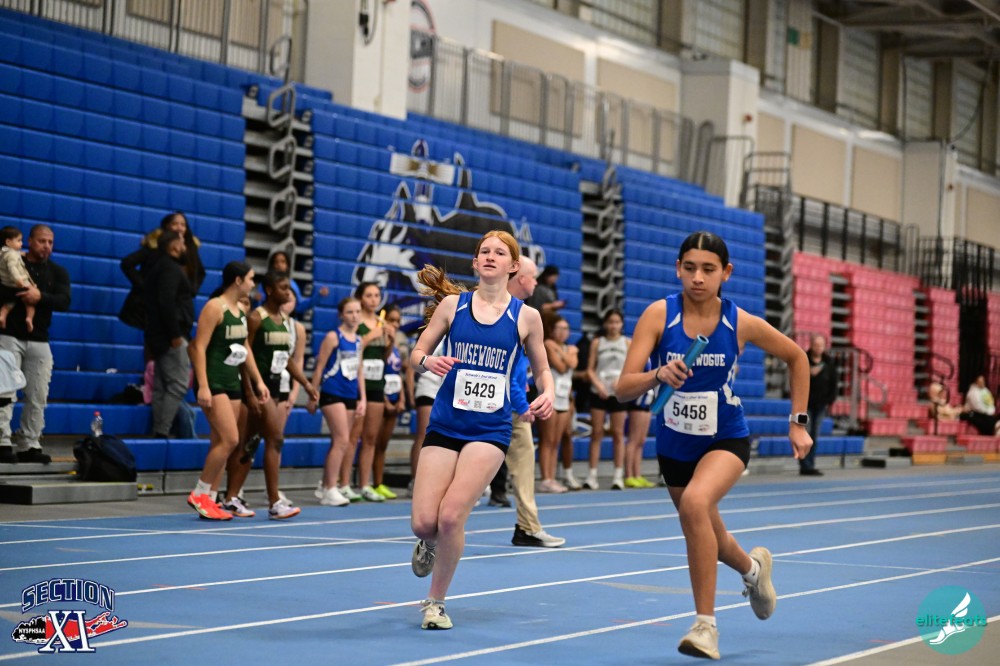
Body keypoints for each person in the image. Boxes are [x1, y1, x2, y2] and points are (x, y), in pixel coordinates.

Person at [616, 231, 812, 660]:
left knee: (695, 505)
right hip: (674, 445)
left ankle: (705, 626)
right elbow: (623, 388)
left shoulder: (738, 322)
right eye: (690, 268)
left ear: (726, 273)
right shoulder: (659, 315)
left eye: (708, 269)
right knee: (710, 534)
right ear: (678, 269)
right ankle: (753, 570)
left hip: (726, 437)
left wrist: (797, 423)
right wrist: (657, 375)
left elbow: (797, 357)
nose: (698, 278)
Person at [409, 230, 554, 630]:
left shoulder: (526, 317)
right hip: (446, 423)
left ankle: (435, 602)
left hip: (490, 428)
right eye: (484, 251)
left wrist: (548, 393)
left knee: (451, 516)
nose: (490, 256)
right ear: (475, 263)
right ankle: (428, 542)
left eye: (499, 252)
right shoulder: (453, 306)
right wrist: (428, 362)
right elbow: (417, 353)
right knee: (424, 523)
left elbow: (542, 367)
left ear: (513, 266)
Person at [223, 272, 319, 519]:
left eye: (289, 288)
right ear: (268, 290)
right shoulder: (256, 318)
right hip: (258, 389)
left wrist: (306, 384)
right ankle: (274, 501)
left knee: (251, 443)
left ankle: (231, 497)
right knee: (275, 439)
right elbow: (244, 356)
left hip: (275, 389)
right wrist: (250, 393)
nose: (288, 292)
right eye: (283, 287)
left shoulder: (285, 322)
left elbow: (286, 359)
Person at [186, 261, 270, 520]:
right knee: (230, 439)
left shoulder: (240, 311)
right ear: (237, 280)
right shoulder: (215, 307)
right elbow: (198, 347)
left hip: (233, 382)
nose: (253, 284)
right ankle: (199, 493)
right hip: (214, 382)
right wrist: (203, 384)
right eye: (251, 279)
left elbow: (245, 348)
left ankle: (210, 499)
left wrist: (258, 381)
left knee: (220, 443)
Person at [505, 255, 566, 546]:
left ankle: (527, 526)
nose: (538, 283)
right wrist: (521, 403)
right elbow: (507, 368)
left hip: (508, 402)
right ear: (521, 278)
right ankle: (527, 527)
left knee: (521, 464)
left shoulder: (523, 313)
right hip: (506, 408)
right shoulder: (514, 314)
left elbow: (523, 367)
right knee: (521, 465)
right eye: (534, 277)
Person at [0, 225, 71, 465]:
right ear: (29, 241)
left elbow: (65, 301)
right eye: (41, 241)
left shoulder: (58, 271)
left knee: (38, 394)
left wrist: (40, 297)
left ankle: (30, 442)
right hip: (8, 334)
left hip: (39, 337)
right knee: (5, 392)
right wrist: (20, 293)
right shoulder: (12, 261)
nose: (46, 246)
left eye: (50, 242)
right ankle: (2, 440)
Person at [308, 296, 367, 507]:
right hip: (333, 392)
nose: (354, 316)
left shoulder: (359, 340)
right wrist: (312, 394)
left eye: (358, 312)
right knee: (342, 440)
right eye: (350, 312)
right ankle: (331, 488)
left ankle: (326, 485)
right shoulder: (334, 337)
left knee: (342, 441)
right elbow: (320, 366)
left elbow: (359, 370)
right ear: (341, 315)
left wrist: (363, 398)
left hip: (351, 393)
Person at [347, 282, 399, 502]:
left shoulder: (382, 322)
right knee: (353, 436)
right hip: (358, 385)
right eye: (368, 295)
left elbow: (384, 356)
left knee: (371, 437)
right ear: (360, 297)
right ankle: (343, 483)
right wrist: (370, 336)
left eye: (377, 295)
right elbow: (353, 348)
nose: (373, 299)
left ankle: (365, 485)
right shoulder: (356, 320)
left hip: (377, 384)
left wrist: (390, 340)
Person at [143, 230, 195, 439]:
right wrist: (175, 335)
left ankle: (159, 430)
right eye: (182, 243)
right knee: (178, 384)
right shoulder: (170, 269)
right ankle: (162, 430)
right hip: (171, 336)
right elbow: (166, 302)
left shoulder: (158, 266)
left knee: (161, 386)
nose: (185, 247)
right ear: (174, 246)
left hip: (157, 334)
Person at [120, 211, 205, 331]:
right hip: (152, 305)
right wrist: (144, 285)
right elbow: (127, 263)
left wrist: (191, 291)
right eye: (175, 224)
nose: (179, 228)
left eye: (183, 224)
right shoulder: (154, 246)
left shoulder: (190, 248)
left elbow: (200, 272)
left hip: (178, 307)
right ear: (167, 226)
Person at [585, 310, 629, 490]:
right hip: (599, 392)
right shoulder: (598, 342)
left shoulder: (627, 343)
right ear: (605, 324)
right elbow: (590, 369)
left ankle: (618, 475)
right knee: (596, 432)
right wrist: (598, 385)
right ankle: (592, 475)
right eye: (610, 322)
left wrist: (622, 381)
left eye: (617, 322)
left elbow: (632, 368)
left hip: (618, 393)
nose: (613, 325)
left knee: (618, 433)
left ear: (622, 324)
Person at [371, 304, 407, 499]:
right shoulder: (378, 341)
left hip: (394, 397)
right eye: (391, 320)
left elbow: (398, 373)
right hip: (380, 396)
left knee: (383, 444)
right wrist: (384, 400)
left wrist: (401, 398)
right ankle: (372, 483)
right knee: (373, 442)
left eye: (398, 321)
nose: (395, 324)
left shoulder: (397, 343)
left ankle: (380, 483)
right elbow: (378, 371)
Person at [537, 314, 577, 493]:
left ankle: (552, 478)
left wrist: (562, 352)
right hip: (550, 398)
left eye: (565, 329)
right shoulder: (547, 344)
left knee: (556, 441)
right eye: (559, 328)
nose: (562, 332)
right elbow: (560, 367)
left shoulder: (568, 348)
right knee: (547, 440)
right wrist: (568, 354)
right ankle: (545, 478)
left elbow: (572, 364)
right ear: (552, 330)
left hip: (564, 399)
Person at [801, 333, 837, 476]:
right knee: (806, 433)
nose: (818, 348)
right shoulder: (803, 359)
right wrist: (810, 373)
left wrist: (829, 400)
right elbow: (797, 379)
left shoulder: (829, 363)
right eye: (816, 345)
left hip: (821, 405)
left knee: (815, 435)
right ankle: (804, 465)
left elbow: (834, 384)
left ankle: (811, 464)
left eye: (821, 345)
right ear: (811, 345)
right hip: (805, 404)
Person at [253, 251, 329, 317]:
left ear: (287, 265)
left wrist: (318, 296)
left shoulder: (293, 284)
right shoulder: (265, 284)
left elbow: (299, 307)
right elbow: (259, 306)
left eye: (283, 262)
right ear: (272, 265)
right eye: (276, 262)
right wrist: (256, 301)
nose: (279, 265)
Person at [624, 361, 655, 488]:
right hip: (639, 400)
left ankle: (637, 474)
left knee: (641, 440)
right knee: (634, 439)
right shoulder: (640, 357)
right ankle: (628, 475)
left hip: (648, 399)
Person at [0, 227, 36, 333]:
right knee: (30, 301)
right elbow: (12, 267)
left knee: (9, 303)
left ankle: (2, 316)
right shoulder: (12, 255)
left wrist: (21, 254)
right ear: (8, 242)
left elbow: (12, 255)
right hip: (18, 281)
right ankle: (29, 318)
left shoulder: (3, 252)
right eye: (19, 240)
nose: (21, 243)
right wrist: (18, 279)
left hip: (6, 282)